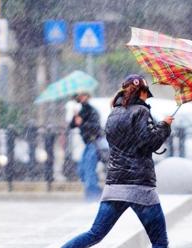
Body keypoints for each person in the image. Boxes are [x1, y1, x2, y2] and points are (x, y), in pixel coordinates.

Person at [62, 74, 173, 248]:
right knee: (159, 242)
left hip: (115, 186)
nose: (146, 96)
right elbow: (148, 143)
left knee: (95, 234)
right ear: (141, 92)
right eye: (146, 92)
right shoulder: (141, 111)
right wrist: (164, 126)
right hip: (140, 188)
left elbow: (130, 142)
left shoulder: (114, 113)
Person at [70, 92, 103, 201]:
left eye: (84, 95)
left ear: (88, 97)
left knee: (89, 171)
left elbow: (96, 127)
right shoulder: (82, 111)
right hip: (87, 144)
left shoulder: (91, 110)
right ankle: (95, 193)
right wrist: (75, 116)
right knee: (82, 170)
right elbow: (72, 125)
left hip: (93, 143)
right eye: (80, 96)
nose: (81, 98)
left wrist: (82, 122)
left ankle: (93, 196)